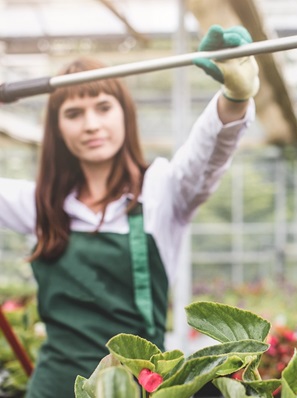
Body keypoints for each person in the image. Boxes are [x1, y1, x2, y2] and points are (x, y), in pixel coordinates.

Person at [0, 25, 259, 398]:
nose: (91, 124)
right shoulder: (40, 204)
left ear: (125, 114)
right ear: (57, 128)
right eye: (74, 113)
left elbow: (208, 151)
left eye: (103, 107)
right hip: (54, 388)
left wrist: (234, 97)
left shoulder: (161, 191)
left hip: (135, 389)